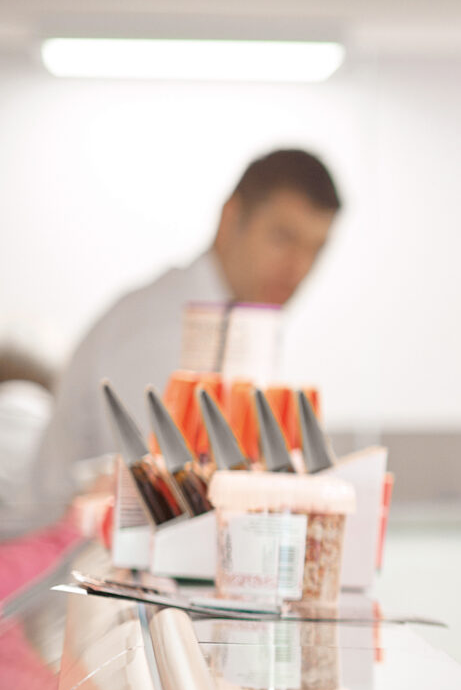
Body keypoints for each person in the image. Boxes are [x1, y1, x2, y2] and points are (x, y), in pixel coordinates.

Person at [26, 148, 340, 520]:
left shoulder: (239, 326)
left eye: (315, 249)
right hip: (63, 555)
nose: (298, 267)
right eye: (282, 238)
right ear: (231, 218)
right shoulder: (162, 331)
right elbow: (168, 501)